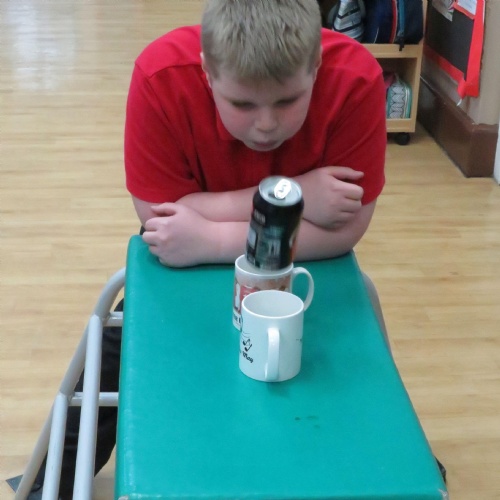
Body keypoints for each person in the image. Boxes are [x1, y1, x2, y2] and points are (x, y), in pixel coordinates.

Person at [34, 0, 386, 496]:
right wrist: (295, 194)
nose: (266, 124)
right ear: (207, 72)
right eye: (243, 105)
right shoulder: (160, 76)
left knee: (354, 373)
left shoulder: (357, 80)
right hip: (195, 267)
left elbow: (344, 235)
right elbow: (161, 222)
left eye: (287, 101)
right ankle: (50, 484)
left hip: (296, 271)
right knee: (123, 349)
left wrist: (208, 235)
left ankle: (390, 467)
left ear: (316, 67)